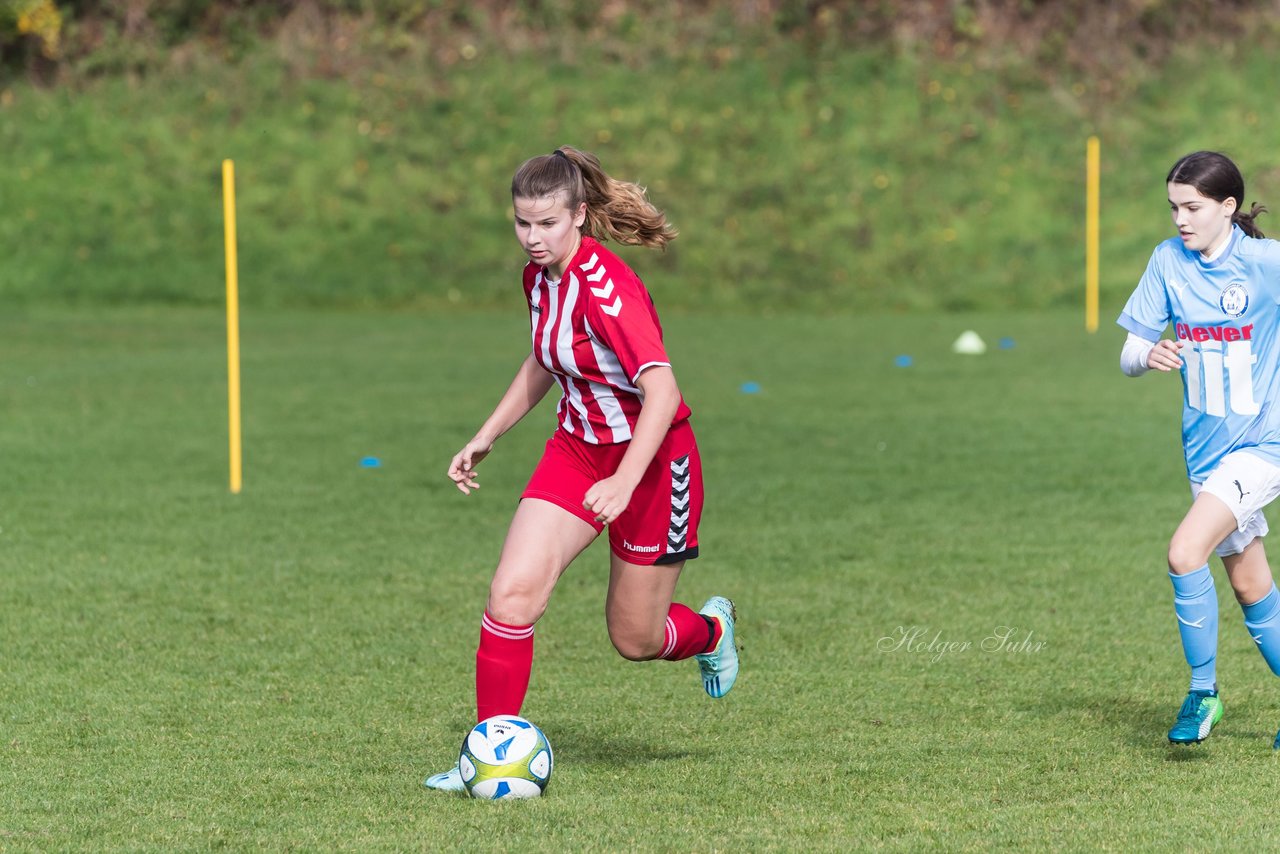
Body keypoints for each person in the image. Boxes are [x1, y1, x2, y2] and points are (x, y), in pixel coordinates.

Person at [424, 146, 738, 792]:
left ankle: (711, 630)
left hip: (653, 465)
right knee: (512, 594)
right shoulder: (537, 278)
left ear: (579, 216)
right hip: (576, 451)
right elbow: (546, 358)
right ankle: (489, 755)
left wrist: (625, 481)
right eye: (522, 223)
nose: (532, 238)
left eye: (546, 224)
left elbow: (664, 394)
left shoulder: (609, 290)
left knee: (636, 638)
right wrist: (488, 434)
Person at [1118, 150, 1280, 747]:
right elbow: (1131, 352)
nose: (1180, 219)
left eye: (1193, 207)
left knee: (1185, 552)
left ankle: (1202, 693)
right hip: (1204, 452)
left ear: (1228, 207)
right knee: (1249, 584)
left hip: (1265, 445)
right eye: (1173, 208)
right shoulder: (1167, 262)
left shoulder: (1266, 262)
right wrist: (1150, 354)